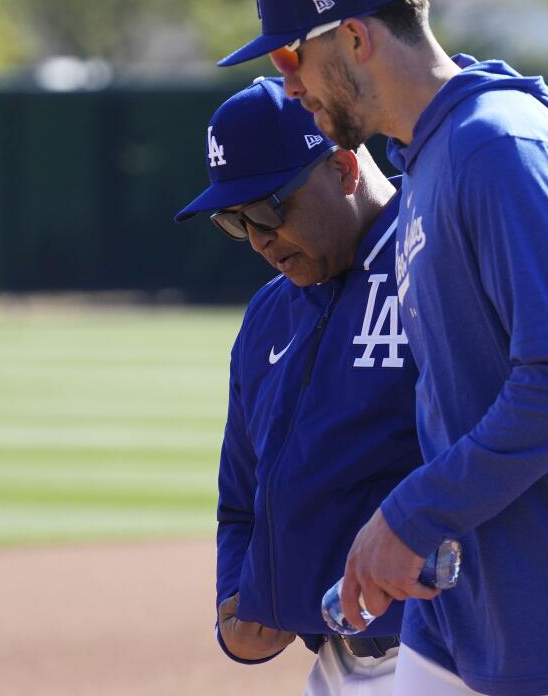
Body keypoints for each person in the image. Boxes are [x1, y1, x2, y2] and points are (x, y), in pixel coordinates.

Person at [215, 0, 548, 696]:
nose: (290, 84)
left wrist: (415, 510)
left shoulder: (498, 145)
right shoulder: (436, 153)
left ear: (352, 37)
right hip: (476, 617)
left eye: (289, 56)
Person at [174, 76, 423, 696]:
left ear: (341, 169)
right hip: (338, 665)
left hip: (451, 654)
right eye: (233, 221)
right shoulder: (267, 315)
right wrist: (236, 601)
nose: (257, 239)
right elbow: (241, 501)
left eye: (266, 208)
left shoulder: (438, 255)